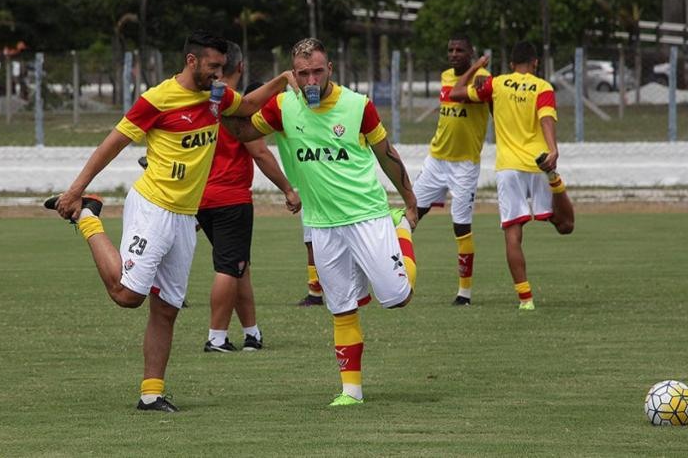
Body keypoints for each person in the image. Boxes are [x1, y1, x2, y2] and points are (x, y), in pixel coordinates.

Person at [44, 30, 299, 413]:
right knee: (127, 295)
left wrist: (281, 81)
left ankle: (151, 394)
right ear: (192, 61)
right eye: (213, 66)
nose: (219, 74)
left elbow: (245, 106)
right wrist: (75, 190)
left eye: (223, 68)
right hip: (153, 207)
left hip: (184, 217)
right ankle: (89, 216)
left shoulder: (216, 96)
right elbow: (112, 144)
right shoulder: (158, 98)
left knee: (166, 308)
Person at [223, 38, 418, 406]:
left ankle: (401, 230)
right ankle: (351, 392)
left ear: (330, 69)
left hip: (368, 216)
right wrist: (219, 103)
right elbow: (243, 131)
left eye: (317, 71)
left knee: (398, 297)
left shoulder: (357, 106)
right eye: (302, 74)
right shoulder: (284, 106)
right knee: (341, 307)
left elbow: (386, 154)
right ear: (293, 74)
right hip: (322, 224)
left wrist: (409, 200)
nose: (310, 80)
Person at [450, 40, 575, 310]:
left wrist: (476, 66)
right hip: (538, 163)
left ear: (510, 64)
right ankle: (555, 179)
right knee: (565, 226)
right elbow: (546, 118)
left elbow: (456, 92)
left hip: (508, 168)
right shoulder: (542, 87)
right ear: (536, 63)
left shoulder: (495, 84)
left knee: (513, 233)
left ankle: (525, 299)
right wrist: (553, 150)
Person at [196, 42, 300, 353]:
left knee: (239, 265)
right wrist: (288, 188)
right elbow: (259, 152)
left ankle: (252, 333)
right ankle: (216, 337)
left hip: (202, 198)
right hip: (230, 197)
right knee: (229, 268)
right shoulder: (235, 106)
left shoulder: (201, 99)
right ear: (240, 67)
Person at [413, 34, 489, 306]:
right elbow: (455, 91)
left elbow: (467, 93)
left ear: (470, 52)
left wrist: (480, 70)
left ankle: (464, 293)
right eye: (451, 50)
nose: (454, 53)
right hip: (436, 160)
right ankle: (397, 279)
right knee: (409, 215)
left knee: (461, 227)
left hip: (464, 165)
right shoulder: (447, 76)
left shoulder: (483, 79)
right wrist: (476, 66)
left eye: (460, 50)